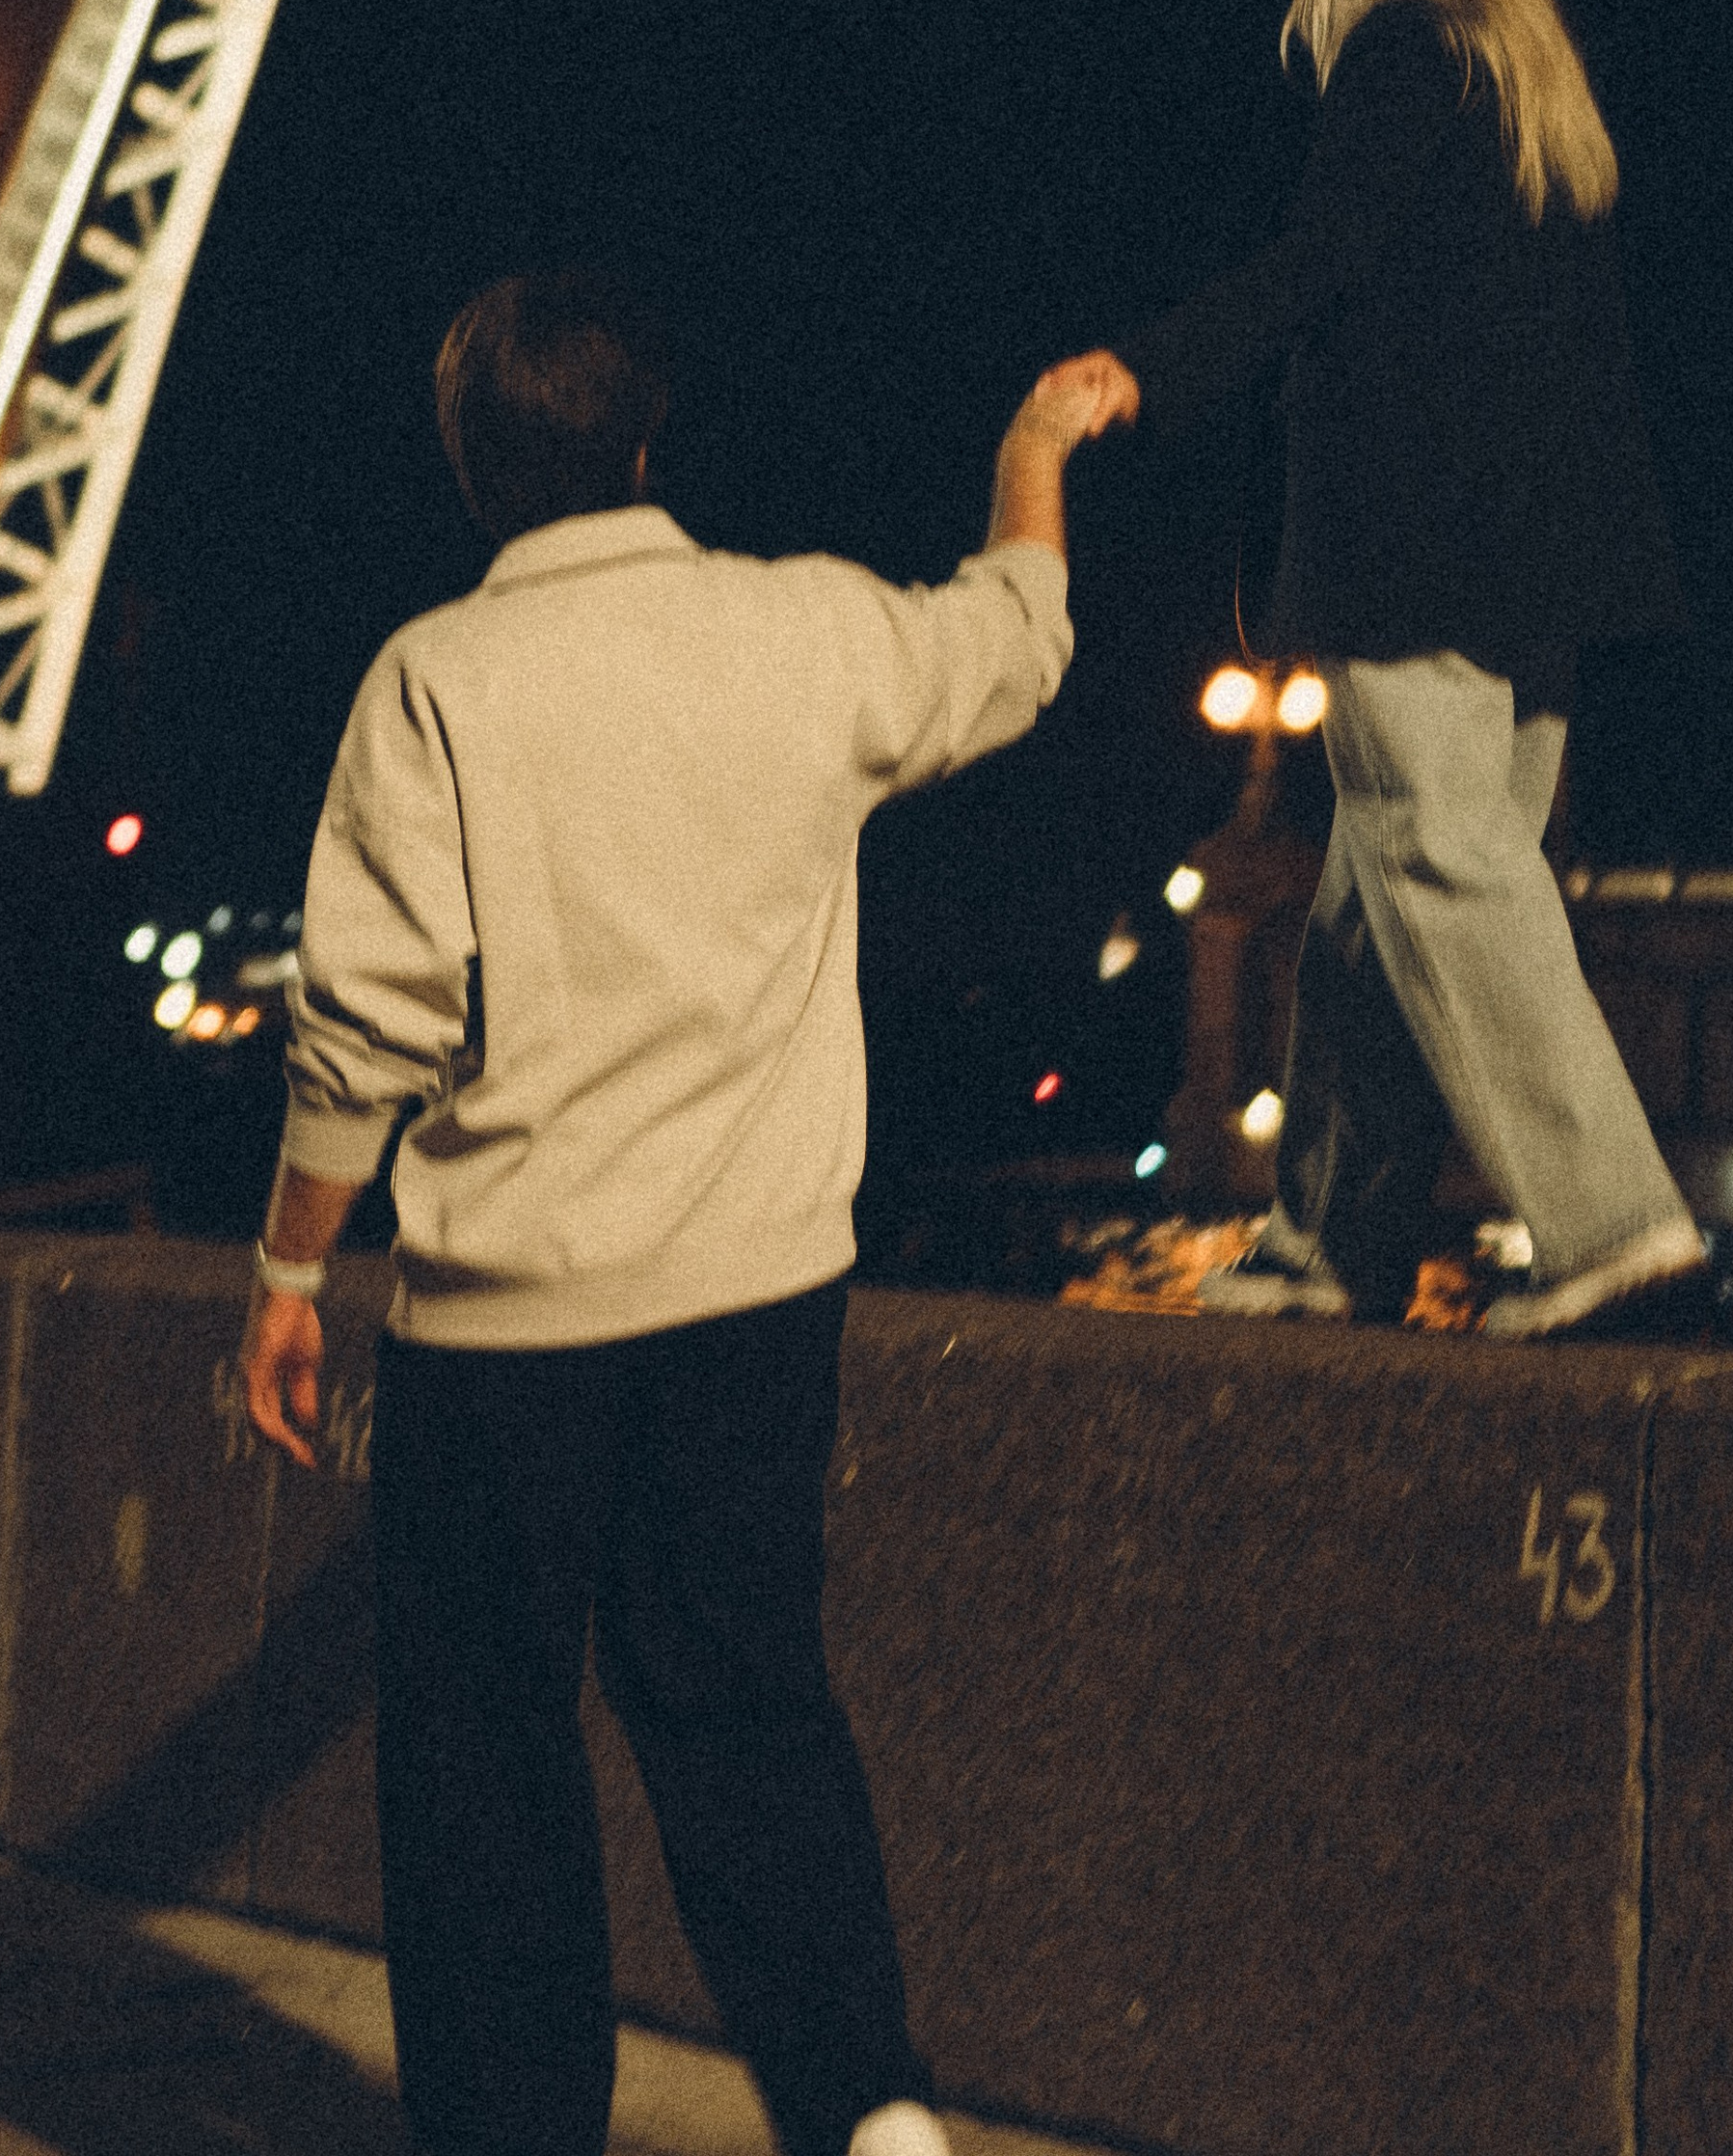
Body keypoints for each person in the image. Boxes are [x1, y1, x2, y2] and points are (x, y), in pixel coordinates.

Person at [239, 271, 1128, 2156]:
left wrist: (285, 1272)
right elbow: (1014, 638)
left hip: (507, 1329)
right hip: (758, 1302)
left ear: (471, 468)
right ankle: (868, 2111)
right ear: (647, 447)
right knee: (743, 1707)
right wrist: (1026, 451)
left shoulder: (436, 679)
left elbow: (364, 1032)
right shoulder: (801, 631)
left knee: (487, 1761)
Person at [1114, 0, 1700, 1339]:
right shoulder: (1523, 75)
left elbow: (1320, 272)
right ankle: (1333, 1243)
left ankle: (1615, 1223)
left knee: (1443, 865)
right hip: (1538, 574)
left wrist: (1144, 371)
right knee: (1372, 918)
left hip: (1416, 559)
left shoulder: (1401, 47)